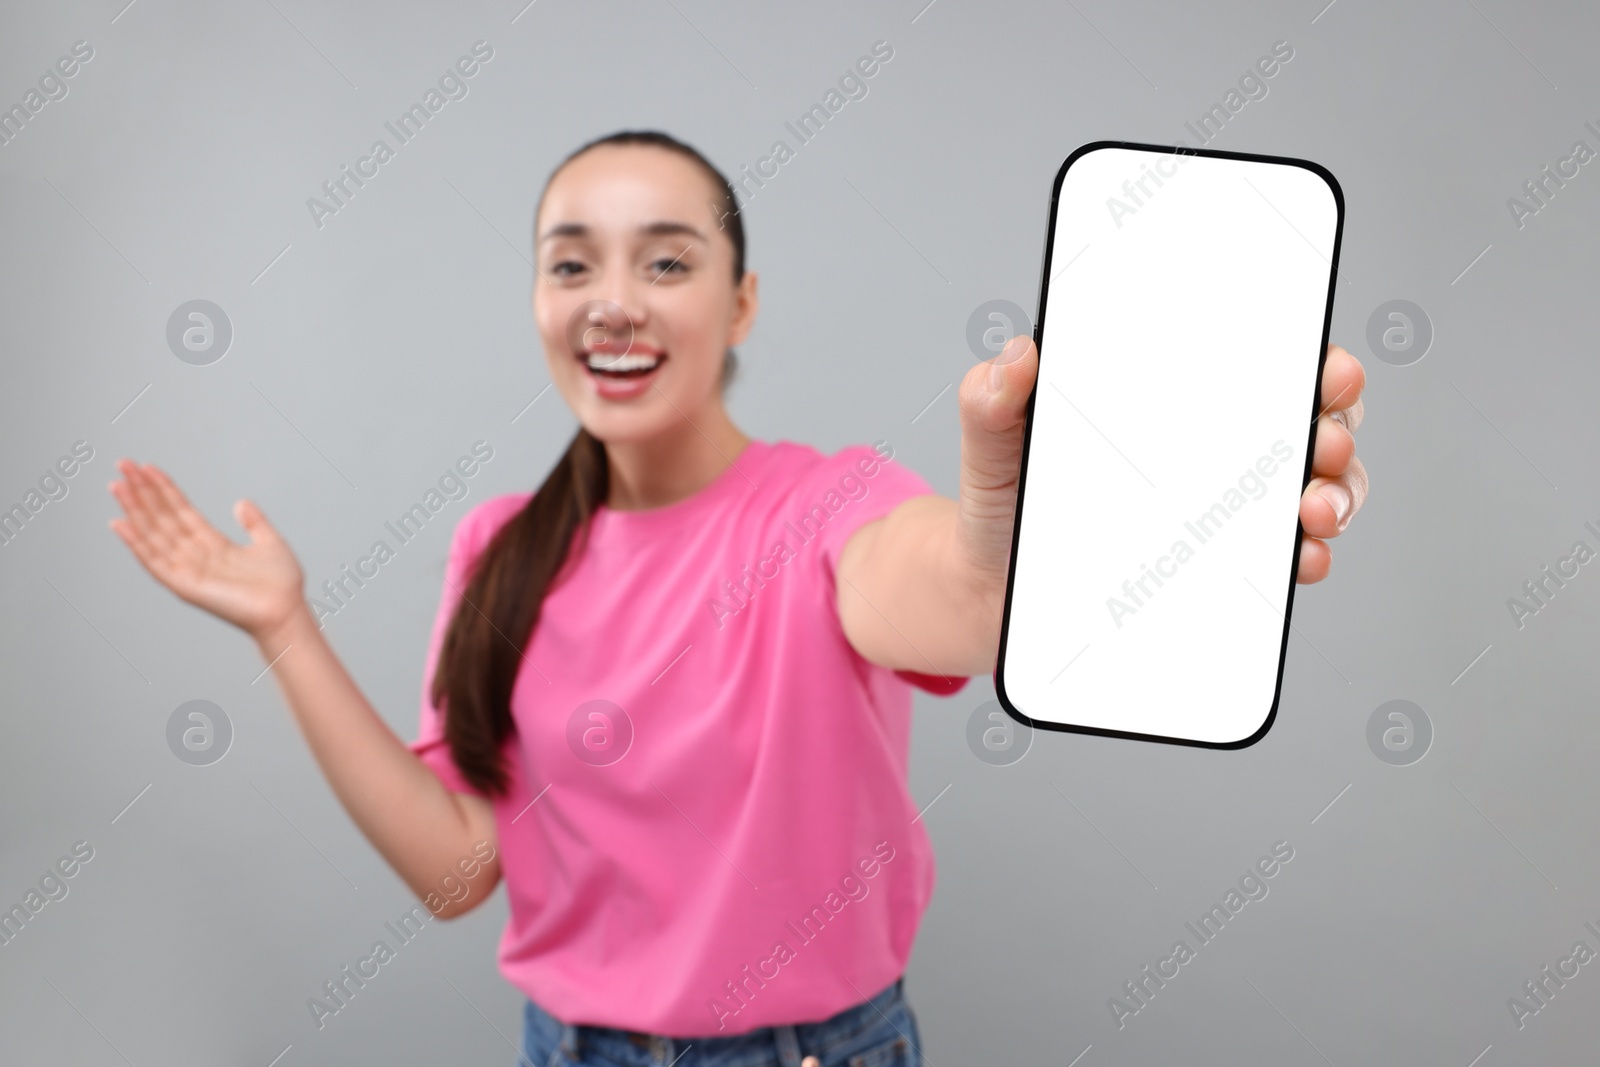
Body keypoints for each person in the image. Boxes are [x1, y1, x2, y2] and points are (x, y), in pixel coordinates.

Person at [105, 129, 1369, 1066]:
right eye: (570, 264)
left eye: (666, 260)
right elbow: (457, 870)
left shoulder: (825, 504)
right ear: (539, 303)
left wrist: (1010, 534)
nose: (612, 299)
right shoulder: (498, 550)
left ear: (739, 302)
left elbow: (945, 589)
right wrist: (285, 628)